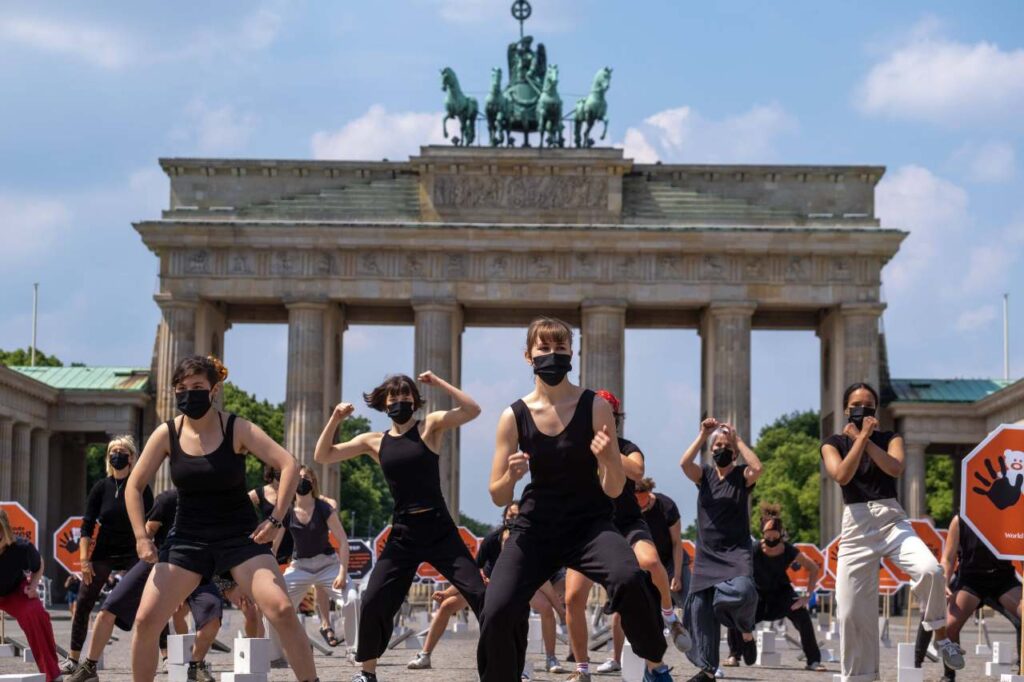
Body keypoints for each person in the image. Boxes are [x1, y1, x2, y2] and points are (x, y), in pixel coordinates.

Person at [478, 316, 672, 682]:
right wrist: (511, 476)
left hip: (590, 525)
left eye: (560, 348)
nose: (553, 354)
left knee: (628, 577)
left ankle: (654, 662)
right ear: (528, 356)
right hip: (536, 528)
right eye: (544, 348)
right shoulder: (513, 416)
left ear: (572, 353)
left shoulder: (596, 406)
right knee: (498, 607)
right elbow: (497, 494)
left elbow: (614, 489)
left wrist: (609, 458)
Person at [125, 355, 319, 682]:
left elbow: (288, 464)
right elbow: (134, 485)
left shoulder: (236, 427)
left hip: (240, 537)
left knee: (283, 611)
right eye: (182, 388)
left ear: (214, 389)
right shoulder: (166, 433)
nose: (189, 393)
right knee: (145, 621)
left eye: (197, 387)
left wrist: (275, 520)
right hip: (187, 538)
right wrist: (141, 538)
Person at [314, 370, 487, 682]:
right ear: (384, 402)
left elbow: (473, 410)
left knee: (480, 594)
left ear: (415, 400)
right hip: (403, 532)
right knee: (374, 599)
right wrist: (335, 419)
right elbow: (323, 455)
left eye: (406, 395)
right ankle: (366, 672)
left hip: (439, 527)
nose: (400, 400)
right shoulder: (374, 441)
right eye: (394, 396)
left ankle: (505, 666)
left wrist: (438, 383)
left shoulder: (430, 426)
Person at [820, 382, 964, 681]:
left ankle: (940, 637)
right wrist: (856, 441)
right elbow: (842, 475)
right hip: (856, 526)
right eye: (857, 405)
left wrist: (866, 439)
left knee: (930, 570)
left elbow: (895, 467)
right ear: (847, 409)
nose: (863, 409)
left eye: (869, 405)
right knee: (849, 613)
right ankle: (862, 677)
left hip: (891, 519)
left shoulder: (890, 438)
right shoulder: (832, 442)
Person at [564, 390, 690, 682]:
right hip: (588, 526)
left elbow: (637, 470)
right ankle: (582, 668)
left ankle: (670, 617)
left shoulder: (627, 446)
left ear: (616, 419)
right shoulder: (578, 446)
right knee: (572, 598)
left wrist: (607, 450)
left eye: (608, 413)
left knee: (650, 562)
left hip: (627, 522)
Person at [66, 488, 224, 682]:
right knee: (108, 609)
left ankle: (196, 665)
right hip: (160, 561)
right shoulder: (167, 500)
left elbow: (222, 547)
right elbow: (147, 533)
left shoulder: (214, 504)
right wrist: (146, 548)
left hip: (199, 567)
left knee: (213, 613)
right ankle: (89, 665)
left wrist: (228, 584)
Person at [406, 502, 566, 677]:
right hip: (489, 584)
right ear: (504, 518)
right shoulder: (492, 539)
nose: (513, 519)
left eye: (517, 516)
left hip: (521, 584)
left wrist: (559, 609)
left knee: (545, 609)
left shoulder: (529, 540)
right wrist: (447, 593)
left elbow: (541, 579)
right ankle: (425, 654)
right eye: (510, 515)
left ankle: (551, 657)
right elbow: (471, 572)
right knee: (446, 606)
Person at [679, 418, 763, 681]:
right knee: (700, 611)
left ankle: (745, 630)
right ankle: (706, 670)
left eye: (726, 446)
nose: (721, 449)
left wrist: (736, 439)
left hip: (736, 551)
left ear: (734, 453)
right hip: (708, 553)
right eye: (717, 445)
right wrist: (704, 434)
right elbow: (684, 463)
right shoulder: (703, 475)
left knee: (742, 591)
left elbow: (757, 467)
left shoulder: (741, 477)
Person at [62, 435, 153, 674]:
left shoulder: (141, 487)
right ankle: (73, 658)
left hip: (133, 550)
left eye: (122, 451)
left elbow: (153, 521)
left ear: (132, 457)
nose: (117, 455)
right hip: (104, 550)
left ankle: (164, 654)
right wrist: (83, 560)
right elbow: (87, 524)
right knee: (83, 599)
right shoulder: (101, 487)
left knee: (151, 600)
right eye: (113, 451)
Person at [595, 478, 689, 675]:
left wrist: (678, 574)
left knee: (691, 598)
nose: (641, 506)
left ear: (650, 494)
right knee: (622, 607)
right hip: (634, 559)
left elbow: (677, 543)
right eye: (637, 502)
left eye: (644, 502)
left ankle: (674, 621)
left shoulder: (666, 506)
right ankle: (615, 658)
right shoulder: (624, 512)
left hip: (669, 561)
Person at [913, 513, 1021, 681]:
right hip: (971, 581)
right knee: (949, 626)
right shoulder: (959, 520)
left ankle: (1022, 668)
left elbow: (1021, 553)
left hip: (1003, 579)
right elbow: (948, 558)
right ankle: (949, 674)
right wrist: (944, 583)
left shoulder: (1007, 517)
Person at [723, 505, 826, 671]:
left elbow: (813, 568)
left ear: (781, 533)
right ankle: (734, 655)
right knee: (735, 614)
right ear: (763, 534)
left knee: (803, 617)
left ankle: (813, 660)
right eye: (767, 535)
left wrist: (806, 597)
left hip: (781, 594)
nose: (771, 538)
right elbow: (735, 566)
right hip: (756, 595)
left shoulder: (789, 550)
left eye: (774, 535)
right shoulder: (754, 549)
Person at [272, 465, 349, 640]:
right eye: (298, 478)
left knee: (352, 599)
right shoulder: (286, 510)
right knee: (274, 603)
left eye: (306, 477)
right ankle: (277, 652)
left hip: (327, 563)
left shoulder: (323, 506)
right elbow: (273, 546)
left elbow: (342, 537)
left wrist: (343, 572)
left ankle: (351, 648)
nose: (302, 481)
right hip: (301, 565)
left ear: (313, 482)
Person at [0, 509, 60, 681]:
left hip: (14, 591)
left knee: (35, 612)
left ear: (6, 532)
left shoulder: (21, 548)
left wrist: (33, 585)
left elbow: (38, 563)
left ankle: (52, 673)